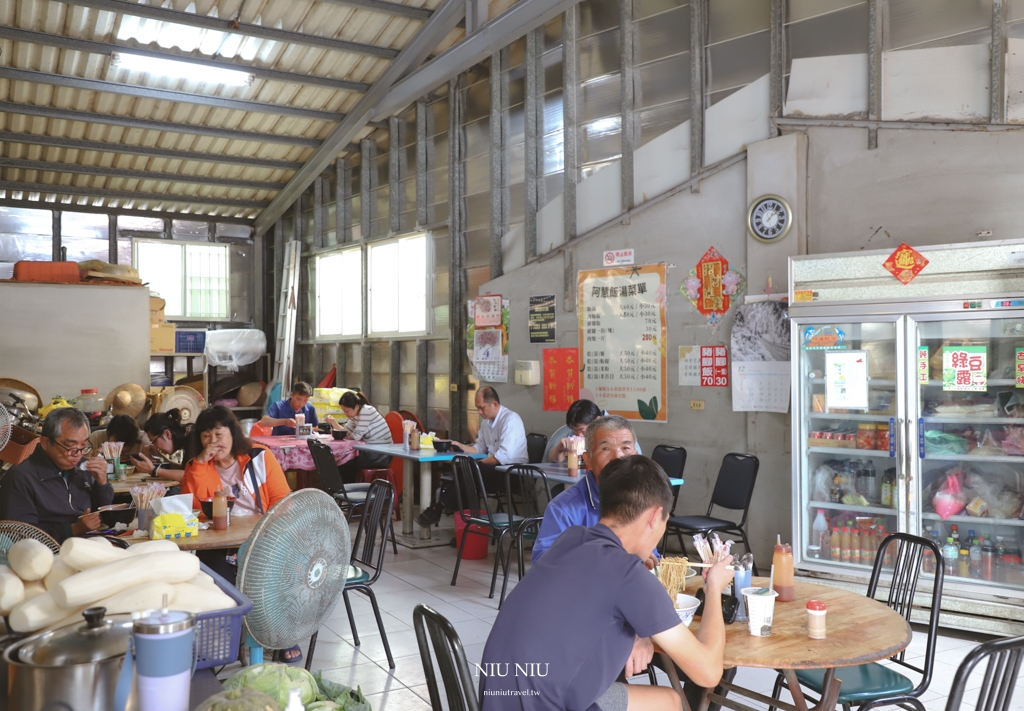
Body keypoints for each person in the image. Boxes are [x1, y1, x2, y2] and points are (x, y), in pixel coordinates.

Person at [480, 455, 732, 711]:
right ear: (656, 517)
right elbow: (709, 672)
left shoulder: (571, 539)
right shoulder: (630, 573)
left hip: (502, 698)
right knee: (671, 703)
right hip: (548, 703)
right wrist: (714, 588)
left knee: (668, 700)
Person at [180, 405, 296, 661]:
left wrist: (269, 528)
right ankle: (228, 641)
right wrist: (199, 464)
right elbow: (193, 509)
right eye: (206, 436)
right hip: (219, 542)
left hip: (262, 537)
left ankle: (279, 636)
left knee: (269, 579)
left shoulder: (259, 457)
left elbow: (282, 499)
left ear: (232, 433)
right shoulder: (197, 466)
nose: (213, 442)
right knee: (213, 583)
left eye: (219, 434)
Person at [532, 415, 657, 566]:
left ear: (635, 456)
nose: (617, 457)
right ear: (587, 459)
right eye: (605, 448)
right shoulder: (563, 509)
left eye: (625, 448)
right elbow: (543, 566)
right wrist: (614, 559)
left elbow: (652, 557)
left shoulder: (642, 502)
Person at [415, 386, 527, 527]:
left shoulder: (511, 420)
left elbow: (500, 458)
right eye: (477, 408)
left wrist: (475, 465)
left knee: (470, 472)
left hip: (512, 473)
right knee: (468, 478)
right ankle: (466, 529)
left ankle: (439, 508)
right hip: (494, 469)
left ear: (495, 404)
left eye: (482, 408)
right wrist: (460, 446)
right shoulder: (487, 423)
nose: (479, 412)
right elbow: (479, 448)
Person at [0, 408, 113, 543]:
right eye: (70, 446)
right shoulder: (20, 478)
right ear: (46, 443)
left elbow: (105, 516)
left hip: (89, 543)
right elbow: (21, 536)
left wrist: (102, 483)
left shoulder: (83, 467)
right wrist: (72, 530)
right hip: (48, 555)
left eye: (83, 446)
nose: (77, 454)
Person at [325, 391, 393, 483]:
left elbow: (356, 436)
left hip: (381, 453)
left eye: (346, 410)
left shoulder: (366, 411)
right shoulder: (355, 415)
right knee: (342, 460)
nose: (345, 413)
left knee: (346, 462)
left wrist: (349, 435)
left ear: (356, 407)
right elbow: (345, 431)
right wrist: (333, 422)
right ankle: (344, 491)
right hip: (371, 450)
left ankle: (348, 491)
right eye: (344, 411)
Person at [545, 400, 641, 463]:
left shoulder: (618, 431)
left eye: (582, 430)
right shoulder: (575, 435)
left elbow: (634, 463)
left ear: (597, 421)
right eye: (575, 430)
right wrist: (559, 449)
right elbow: (555, 460)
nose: (579, 435)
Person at [131, 409, 188, 483]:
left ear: (167, 434)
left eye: (154, 442)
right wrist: (161, 458)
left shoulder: (192, 438)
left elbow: (189, 476)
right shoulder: (186, 439)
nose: (155, 446)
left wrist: (153, 470)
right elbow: (184, 469)